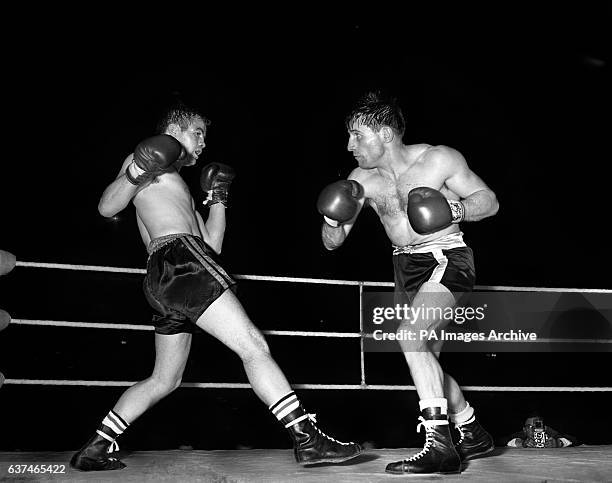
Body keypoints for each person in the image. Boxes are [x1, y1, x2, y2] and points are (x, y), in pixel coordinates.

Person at [70, 102, 361, 471]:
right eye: (197, 132)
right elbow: (107, 207)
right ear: (173, 128)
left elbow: (213, 244)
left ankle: (95, 447)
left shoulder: (175, 183)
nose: (204, 142)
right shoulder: (145, 159)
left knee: (165, 378)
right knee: (254, 346)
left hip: (166, 275)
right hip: (180, 261)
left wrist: (218, 198)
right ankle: (307, 439)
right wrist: (137, 169)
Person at [317, 91, 499, 475]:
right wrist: (333, 219)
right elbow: (332, 244)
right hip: (404, 267)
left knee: (410, 336)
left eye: (356, 136)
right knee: (424, 356)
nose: (349, 146)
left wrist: (454, 209)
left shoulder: (438, 159)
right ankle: (470, 428)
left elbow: (489, 201)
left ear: (384, 133)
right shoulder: (359, 180)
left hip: (445, 256)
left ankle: (440, 445)